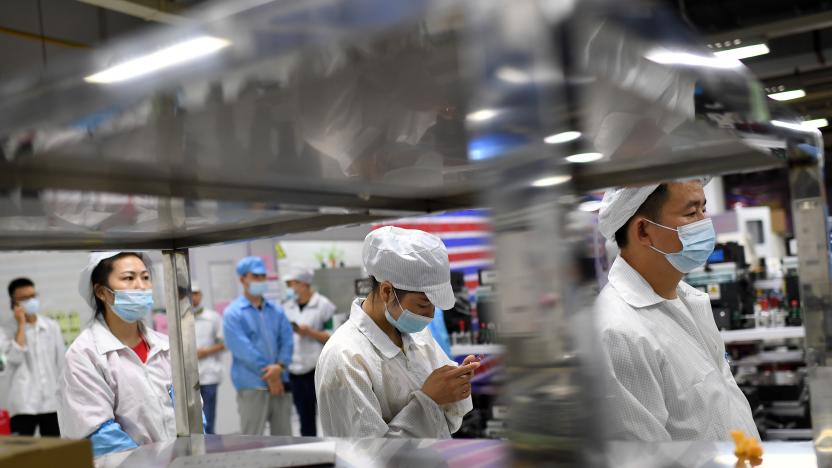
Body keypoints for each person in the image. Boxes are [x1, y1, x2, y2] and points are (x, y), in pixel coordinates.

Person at [595, 179, 758, 441]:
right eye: (692, 213)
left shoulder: (689, 300)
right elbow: (644, 458)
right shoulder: (618, 332)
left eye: (704, 210)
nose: (706, 223)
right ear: (644, 231)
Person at [316, 226, 480, 438]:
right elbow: (367, 454)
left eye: (434, 306)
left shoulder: (417, 336)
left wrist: (457, 384)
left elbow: (447, 421)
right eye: (423, 305)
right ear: (386, 291)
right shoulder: (345, 357)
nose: (430, 316)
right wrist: (427, 400)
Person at [58, 252, 175, 457]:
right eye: (129, 278)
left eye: (145, 277)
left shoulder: (164, 345)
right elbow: (98, 434)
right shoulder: (85, 354)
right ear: (102, 292)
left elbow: (191, 414)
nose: (141, 286)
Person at [223, 256, 293, 436]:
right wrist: (270, 375)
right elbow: (242, 349)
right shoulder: (233, 314)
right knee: (253, 441)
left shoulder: (276, 310)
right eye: (255, 276)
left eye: (263, 276)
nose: (260, 280)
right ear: (242, 279)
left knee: (285, 441)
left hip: (280, 383)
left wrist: (280, 366)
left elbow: (287, 339)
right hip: (252, 385)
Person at [0, 278, 65, 436]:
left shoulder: (51, 327)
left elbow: (61, 363)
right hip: (22, 404)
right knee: (23, 455)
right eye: (24, 298)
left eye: (33, 296)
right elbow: (13, 359)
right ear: (14, 303)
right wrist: (21, 325)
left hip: (51, 402)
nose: (31, 301)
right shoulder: (5, 331)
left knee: (54, 452)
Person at [281, 265, 335, 437]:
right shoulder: (288, 306)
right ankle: (311, 453)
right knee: (305, 418)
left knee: (329, 415)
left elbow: (332, 335)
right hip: (296, 369)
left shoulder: (323, 305)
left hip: (317, 368)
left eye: (293, 283)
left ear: (304, 284)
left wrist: (309, 332)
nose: (290, 288)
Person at [191, 281, 224, 435]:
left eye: (196, 293)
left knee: (209, 419)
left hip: (209, 374)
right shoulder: (179, 318)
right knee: (191, 422)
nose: (193, 297)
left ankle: (210, 453)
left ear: (201, 295)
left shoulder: (213, 317)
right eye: (189, 294)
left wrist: (207, 351)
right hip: (188, 377)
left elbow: (224, 343)